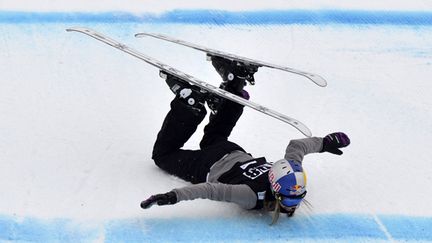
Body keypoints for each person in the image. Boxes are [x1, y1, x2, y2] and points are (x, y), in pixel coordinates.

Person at [141, 56, 350, 223]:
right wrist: (173, 196)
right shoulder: (251, 196)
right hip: (207, 165)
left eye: (296, 198)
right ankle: (190, 105)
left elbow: (297, 147)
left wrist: (325, 142)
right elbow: (210, 190)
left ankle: (235, 82)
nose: (293, 205)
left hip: (231, 150)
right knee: (162, 156)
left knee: (214, 138)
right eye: (289, 199)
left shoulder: (289, 171)